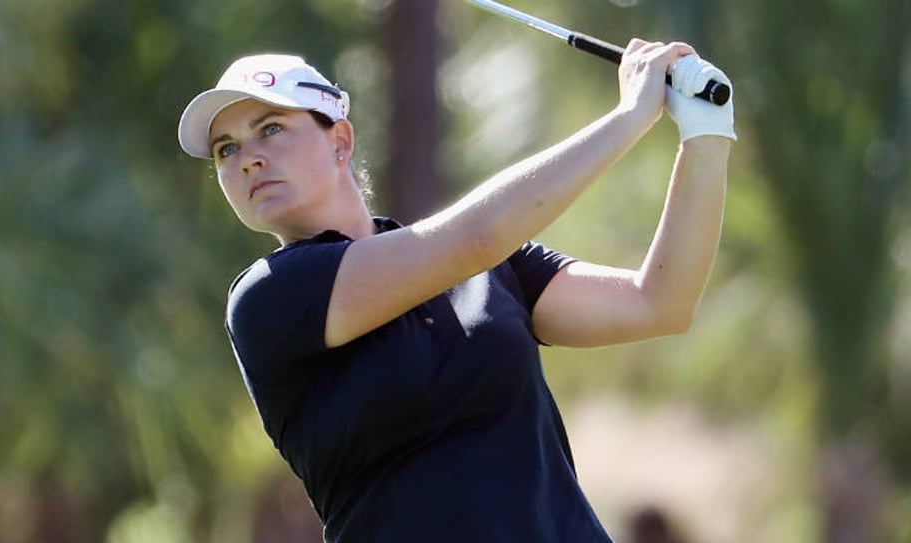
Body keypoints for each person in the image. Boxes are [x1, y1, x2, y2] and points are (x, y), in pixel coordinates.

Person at [177, 42, 734, 542]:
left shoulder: (491, 267)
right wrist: (629, 116)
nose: (247, 157)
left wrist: (706, 133)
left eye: (271, 128)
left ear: (340, 141)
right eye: (226, 149)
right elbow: (477, 235)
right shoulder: (268, 297)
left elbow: (658, 301)